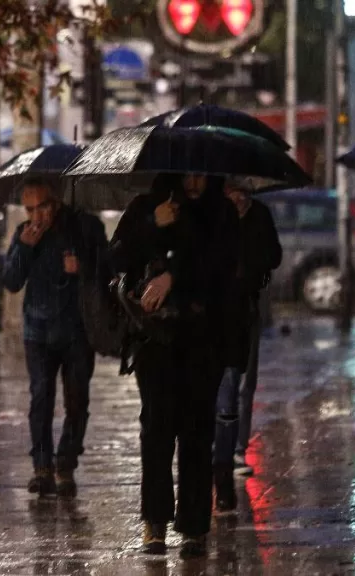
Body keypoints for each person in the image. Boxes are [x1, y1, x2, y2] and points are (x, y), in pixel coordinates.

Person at [109, 173, 238, 557]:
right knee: (157, 429)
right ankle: (155, 522)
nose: (195, 182)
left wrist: (174, 277)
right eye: (188, 173)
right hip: (154, 339)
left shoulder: (220, 212)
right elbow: (116, 256)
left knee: (197, 431)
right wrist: (153, 225)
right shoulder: (146, 207)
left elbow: (224, 266)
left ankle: (195, 526)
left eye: (202, 173)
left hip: (203, 337)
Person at [1, 176, 108, 499]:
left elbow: (109, 267)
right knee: (41, 396)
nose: (36, 216)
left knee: (76, 399)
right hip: (38, 330)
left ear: (56, 202)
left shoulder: (85, 227)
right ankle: (42, 466)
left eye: (42, 207)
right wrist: (24, 248)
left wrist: (83, 267)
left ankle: (66, 462)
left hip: (77, 329)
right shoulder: (26, 235)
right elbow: (11, 281)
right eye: (30, 209)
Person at [213, 179, 282, 510]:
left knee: (244, 382)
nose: (238, 197)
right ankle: (220, 448)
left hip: (247, 309)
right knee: (222, 383)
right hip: (216, 311)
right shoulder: (214, 216)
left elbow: (273, 260)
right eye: (232, 191)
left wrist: (256, 279)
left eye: (243, 191)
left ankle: (237, 448)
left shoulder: (260, 217)